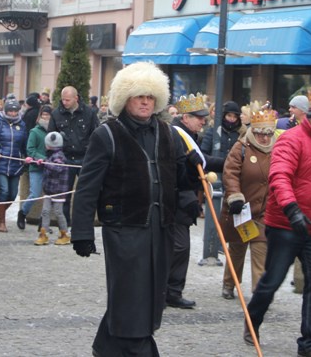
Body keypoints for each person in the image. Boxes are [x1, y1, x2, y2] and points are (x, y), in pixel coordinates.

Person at [71, 61, 199, 356]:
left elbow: (179, 180)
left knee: (152, 292)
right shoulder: (107, 135)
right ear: (125, 99)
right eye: (139, 96)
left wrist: (190, 183)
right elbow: (88, 187)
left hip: (161, 227)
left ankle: (106, 346)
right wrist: (81, 232)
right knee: (130, 293)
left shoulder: (168, 133)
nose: (145, 102)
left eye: (150, 97)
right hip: (124, 229)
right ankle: (141, 349)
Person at [243, 86, 311, 357]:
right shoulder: (291, 140)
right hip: (285, 226)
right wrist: (292, 210)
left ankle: (309, 343)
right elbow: (280, 177)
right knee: (273, 280)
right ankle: (253, 320)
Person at [167, 93, 224, 309]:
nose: (203, 121)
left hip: (183, 202)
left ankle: (171, 291)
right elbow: (177, 170)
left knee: (180, 249)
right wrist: (190, 166)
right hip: (174, 202)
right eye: (198, 117)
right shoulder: (176, 136)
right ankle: (167, 291)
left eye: (203, 117)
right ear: (185, 118)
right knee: (178, 248)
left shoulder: (188, 136)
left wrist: (226, 164)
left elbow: (202, 160)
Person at [220, 109, 276, 300]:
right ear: (254, 131)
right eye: (261, 133)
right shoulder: (241, 147)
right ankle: (229, 283)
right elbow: (230, 173)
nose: (264, 138)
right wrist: (235, 195)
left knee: (261, 251)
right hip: (243, 209)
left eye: (268, 134)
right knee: (237, 249)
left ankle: (259, 294)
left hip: (264, 211)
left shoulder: (277, 150)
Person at [47, 86, 100, 226]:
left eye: (67, 100)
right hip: (65, 158)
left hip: (84, 158)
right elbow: (51, 136)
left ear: (76, 98)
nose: (64, 102)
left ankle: (82, 223)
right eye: (63, 99)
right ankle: (65, 226)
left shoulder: (89, 113)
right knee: (65, 195)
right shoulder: (56, 114)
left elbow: (96, 134)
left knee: (85, 193)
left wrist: (93, 155)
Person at [0, 99, 28, 233]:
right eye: (10, 111)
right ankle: (1, 221)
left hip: (15, 163)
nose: (12, 113)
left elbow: (24, 143)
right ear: (5, 111)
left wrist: (27, 155)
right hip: (1, 162)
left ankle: (1, 212)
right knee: (4, 190)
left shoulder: (21, 124)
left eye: (15, 111)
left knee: (13, 194)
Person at [17, 105, 52, 230]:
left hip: (50, 169)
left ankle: (43, 222)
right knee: (35, 194)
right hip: (36, 168)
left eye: (48, 115)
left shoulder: (53, 132)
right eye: (44, 114)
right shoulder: (34, 132)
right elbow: (30, 150)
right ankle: (22, 213)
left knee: (48, 197)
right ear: (40, 116)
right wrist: (40, 158)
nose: (46, 117)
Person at [34, 131, 71, 246]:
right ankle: (43, 234)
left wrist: (45, 163)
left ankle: (64, 234)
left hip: (59, 190)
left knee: (58, 212)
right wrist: (41, 161)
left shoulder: (59, 155)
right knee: (45, 211)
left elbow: (58, 168)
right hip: (49, 189)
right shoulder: (50, 154)